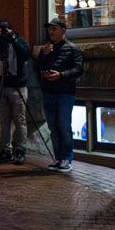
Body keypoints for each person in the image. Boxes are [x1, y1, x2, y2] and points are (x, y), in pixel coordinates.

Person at [34, 17, 83, 172]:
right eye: (49, 29)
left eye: (54, 29)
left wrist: (61, 75)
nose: (51, 32)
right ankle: (58, 158)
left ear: (63, 30)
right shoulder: (47, 49)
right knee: (53, 127)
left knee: (63, 126)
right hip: (48, 92)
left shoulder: (73, 48)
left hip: (65, 93)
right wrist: (43, 55)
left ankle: (67, 159)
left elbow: (79, 69)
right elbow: (37, 68)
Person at [0, 20, 32, 164]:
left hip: (18, 86)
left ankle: (21, 149)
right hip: (1, 86)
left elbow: (25, 55)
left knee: (20, 120)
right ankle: (6, 150)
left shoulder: (20, 40)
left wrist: (13, 38)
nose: (2, 33)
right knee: (4, 121)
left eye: (4, 30)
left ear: (10, 30)